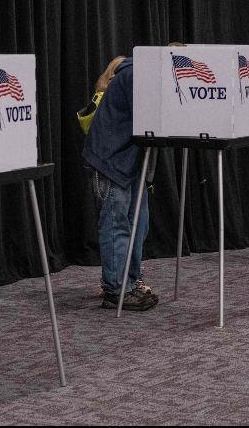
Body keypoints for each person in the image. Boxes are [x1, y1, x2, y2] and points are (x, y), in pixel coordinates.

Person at [82, 55, 159, 311]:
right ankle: (116, 288)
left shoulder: (135, 75)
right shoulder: (134, 77)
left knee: (138, 224)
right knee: (117, 225)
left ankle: (130, 280)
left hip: (129, 161)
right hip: (110, 160)